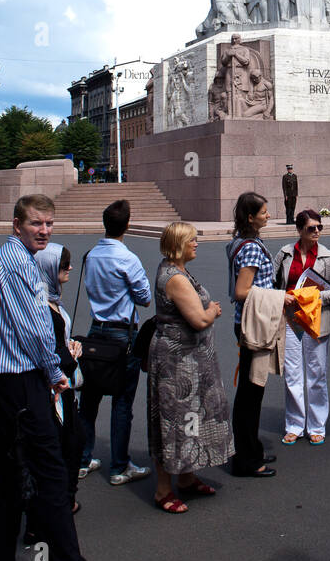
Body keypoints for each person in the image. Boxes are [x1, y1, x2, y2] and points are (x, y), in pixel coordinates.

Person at [0, 194, 132, 561]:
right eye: (35, 223)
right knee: (52, 479)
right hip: (20, 384)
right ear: (16, 224)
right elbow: (34, 333)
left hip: (0, 383)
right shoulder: (17, 265)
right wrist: (55, 374)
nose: (43, 230)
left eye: (48, 224)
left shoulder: (7, 260)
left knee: (6, 482)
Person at [147, 224, 233, 514]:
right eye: (191, 240)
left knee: (190, 419)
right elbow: (198, 319)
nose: (197, 243)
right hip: (178, 364)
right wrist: (212, 311)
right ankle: (163, 490)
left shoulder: (177, 270)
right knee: (173, 422)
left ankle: (186, 476)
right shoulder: (174, 277)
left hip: (189, 361)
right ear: (177, 244)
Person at [77, 199, 152, 486]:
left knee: (89, 400)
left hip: (96, 331)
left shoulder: (91, 255)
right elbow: (144, 297)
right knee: (122, 402)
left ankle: (82, 459)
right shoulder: (128, 258)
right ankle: (120, 466)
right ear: (127, 225)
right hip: (123, 333)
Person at [227, 192, 298, 477]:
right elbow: (241, 292)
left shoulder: (240, 242)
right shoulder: (252, 248)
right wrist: (279, 297)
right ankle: (246, 459)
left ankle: (251, 449)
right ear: (250, 217)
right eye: (264, 211)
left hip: (248, 320)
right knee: (250, 392)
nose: (269, 215)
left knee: (251, 389)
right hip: (254, 322)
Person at [274, 209, 330, 444]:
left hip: (316, 319)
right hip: (290, 319)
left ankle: (316, 425)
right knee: (292, 374)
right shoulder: (284, 254)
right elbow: (274, 285)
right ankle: (294, 424)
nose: (316, 232)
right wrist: (284, 297)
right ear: (300, 230)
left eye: (319, 227)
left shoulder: (327, 256)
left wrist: (317, 298)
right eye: (311, 228)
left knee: (316, 373)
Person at [31, 244, 83, 524]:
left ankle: (62, 502)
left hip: (61, 385)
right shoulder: (41, 305)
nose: (70, 269)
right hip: (54, 388)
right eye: (64, 265)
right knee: (60, 449)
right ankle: (48, 515)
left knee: (72, 443)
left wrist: (69, 345)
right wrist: (69, 356)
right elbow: (45, 347)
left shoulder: (51, 298)